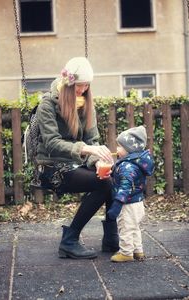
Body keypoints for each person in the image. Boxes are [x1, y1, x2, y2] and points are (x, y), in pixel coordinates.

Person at [35, 56, 119, 259]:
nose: (82, 90)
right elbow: (52, 143)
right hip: (51, 167)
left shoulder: (87, 104)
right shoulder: (47, 105)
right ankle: (69, 240)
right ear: (68, 83)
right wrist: (87, 150)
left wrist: (98, 160)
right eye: (79, 85)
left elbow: (93, 139)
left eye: (86, 86)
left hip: (75, 164)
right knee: (104, 184)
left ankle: (110, 238)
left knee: (111, 174)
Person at [107, 125, 154, 262]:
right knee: (134, 228)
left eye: (120, 146)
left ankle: (126, 253)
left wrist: (116, 204)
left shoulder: (127, 166)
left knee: (125, 228)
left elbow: (125, 187)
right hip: (138, 202)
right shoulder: (135, 163)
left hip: (127, 204)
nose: (117, 149)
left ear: (129, 149)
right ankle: (138, 251)